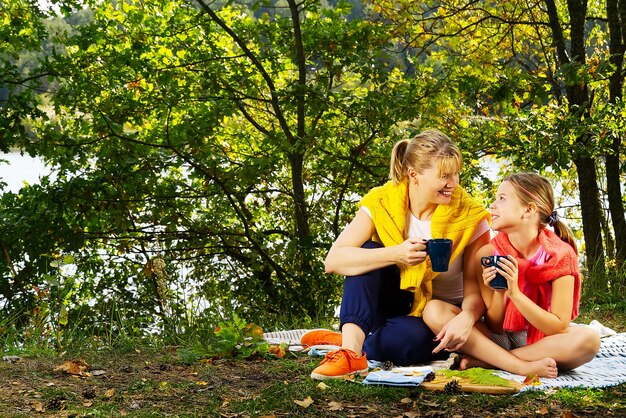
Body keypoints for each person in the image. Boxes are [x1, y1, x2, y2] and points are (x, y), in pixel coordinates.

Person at [300, 129, 491, 380]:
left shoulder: (470, 217)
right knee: (368, 253)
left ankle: (348, 342)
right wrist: (397, 254)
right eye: (444, 175)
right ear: (414, 175)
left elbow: (475, 288)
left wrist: (466, 317)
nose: (453, 183)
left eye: (456, 173)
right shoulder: (382, 202)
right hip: (395, 301)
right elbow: (334, 261)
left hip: (438, 313)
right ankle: (349, 353)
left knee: (405, 343)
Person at [423, 173, 600, 377]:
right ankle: (518, 365)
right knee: (434, 310)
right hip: (497, 338)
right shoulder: (488, 254)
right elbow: (496, 326)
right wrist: (499, 292)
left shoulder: (560, 255)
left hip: (541, 340)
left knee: (589, 340)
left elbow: (558, 327)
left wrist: (516, 294)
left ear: (528, 209)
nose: (493, 205)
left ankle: (490, 361)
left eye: (502, 198)